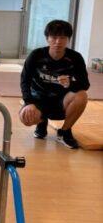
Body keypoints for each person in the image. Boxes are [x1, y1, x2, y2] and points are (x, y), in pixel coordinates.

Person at [19, 19, 89, 149]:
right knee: (25, 117)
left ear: (68, 39)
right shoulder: (36, 55)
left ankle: (64, 132)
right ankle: (41, 122)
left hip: (61, 102)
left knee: (82, 96)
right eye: (54, 37)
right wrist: (28, 103)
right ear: (47, 39)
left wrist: (70, 84)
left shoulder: (75, 58)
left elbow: (85, 84)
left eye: (62, 38)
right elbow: (24, 81)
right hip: (39, 99)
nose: (58, 42)